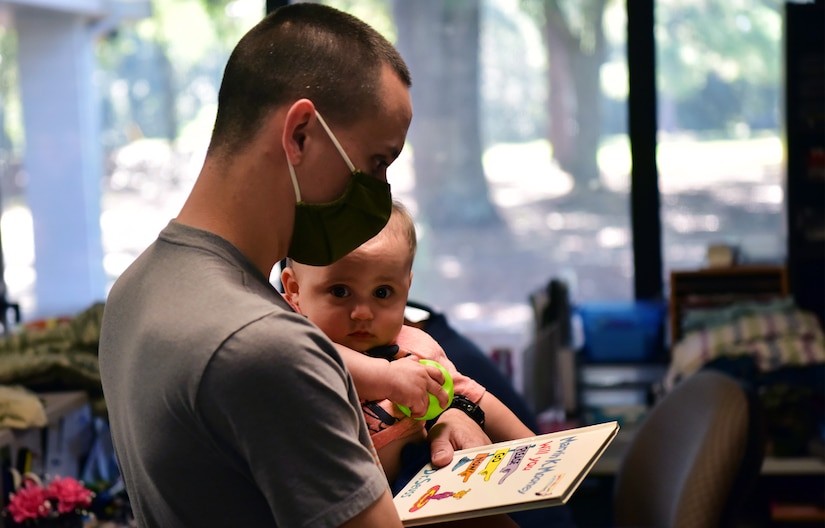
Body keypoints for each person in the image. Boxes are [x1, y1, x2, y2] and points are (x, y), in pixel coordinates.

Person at [99, 5, 489, 527]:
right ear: (301, 134)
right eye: (377, 163)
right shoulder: (266, 347)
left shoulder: (135, 288)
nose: (378, 193)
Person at [280, 202, 534, 500]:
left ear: (406, 288)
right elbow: (314, 359)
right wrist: (387, 377)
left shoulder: (416, 348)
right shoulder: (290, 340)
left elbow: (474, 398)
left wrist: (539, 449)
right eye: (340, 291)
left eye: (382, 293)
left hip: (418, 488)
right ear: (294, 290)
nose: (362, 312)